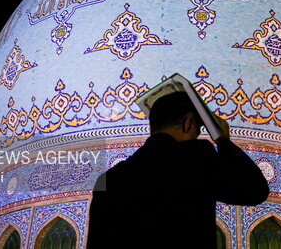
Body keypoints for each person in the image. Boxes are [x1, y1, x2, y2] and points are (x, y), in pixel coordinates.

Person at [86, 91, 269, 248]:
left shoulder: (108, 179)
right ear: (188, 123)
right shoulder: (196, 159)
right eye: (197, 130)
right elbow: (255, 191)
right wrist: (223, 141)